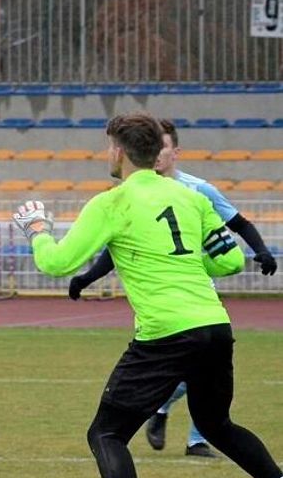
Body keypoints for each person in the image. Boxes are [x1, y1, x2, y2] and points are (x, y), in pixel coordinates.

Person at [14, 111, 283, 478]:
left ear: (118, 151)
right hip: (214, 326)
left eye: (108, 147)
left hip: (165, 331)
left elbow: (57, 264)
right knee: (218, 425)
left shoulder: (111, 203)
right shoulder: (190, 197)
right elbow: (230, 264)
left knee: (106, 432)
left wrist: (38, 231)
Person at [69, 118, 279, 459]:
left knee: (192, 375)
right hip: (175, 307)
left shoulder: (197, 191)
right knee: (200, 377)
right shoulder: (130, 197)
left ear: (173, 152)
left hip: (194, 297)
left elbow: (237, 226)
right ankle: (176, 421)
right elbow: (118, 249)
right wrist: (88, 277)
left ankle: (187, 431)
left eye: (165, 148)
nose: (159, 155)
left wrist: (261, 251)